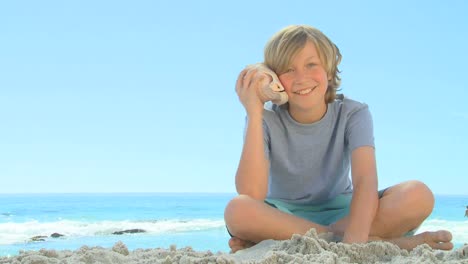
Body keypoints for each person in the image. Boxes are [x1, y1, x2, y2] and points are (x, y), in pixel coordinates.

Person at [224, 25, 453, 253]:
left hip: (343, 211)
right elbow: (251, 194)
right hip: (283, 214)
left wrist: (354, 238)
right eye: (288, 69)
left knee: (418, 194)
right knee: (237, 210)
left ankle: (319, 238)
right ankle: (382, 242)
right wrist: (254, 111)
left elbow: (365, 181)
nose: (301, 78)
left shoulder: (353, 113)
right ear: (273, 77)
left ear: (330, 71)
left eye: (311, 65)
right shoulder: (264, 119)